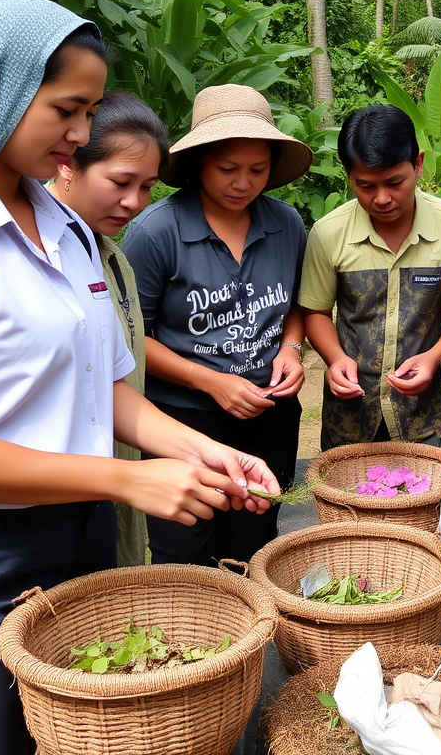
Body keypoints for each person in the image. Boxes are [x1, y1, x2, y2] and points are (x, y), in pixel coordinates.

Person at [0, 0, 279, 755]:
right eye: (66, 111)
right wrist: (126, 480)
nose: (80, 134)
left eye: (90, 112)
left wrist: (203, 452)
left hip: (77, 538)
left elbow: (101, 388)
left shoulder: (65, 226)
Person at [120, 84, 311, 566]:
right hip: (183, 418)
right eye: (228, 169)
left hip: (269, 414)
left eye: (257, 170)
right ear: (199, 162)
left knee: (254, 546)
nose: (243, 183)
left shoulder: (286, 224)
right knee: (184, 552)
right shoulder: (156, 233)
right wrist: (208, 380)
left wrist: (291, 349)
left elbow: (297, 305)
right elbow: (133, 339)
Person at [300, 104, 441, 449]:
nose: (382, 199)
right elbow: (315, 312)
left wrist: (433, 357)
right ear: (348, 175)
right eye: (366, 186)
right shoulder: (328, 234)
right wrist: (335, 358)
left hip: (426, 418)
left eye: (395, 183)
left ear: (418, 164)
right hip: (349, 420)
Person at [48, 90, 170, 567]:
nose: (134, 202)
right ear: (67, 164)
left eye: (147, 186)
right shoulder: (40, 252)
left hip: (114, 470)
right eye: (120, 181)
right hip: (55, 496)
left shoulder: (107, 251)